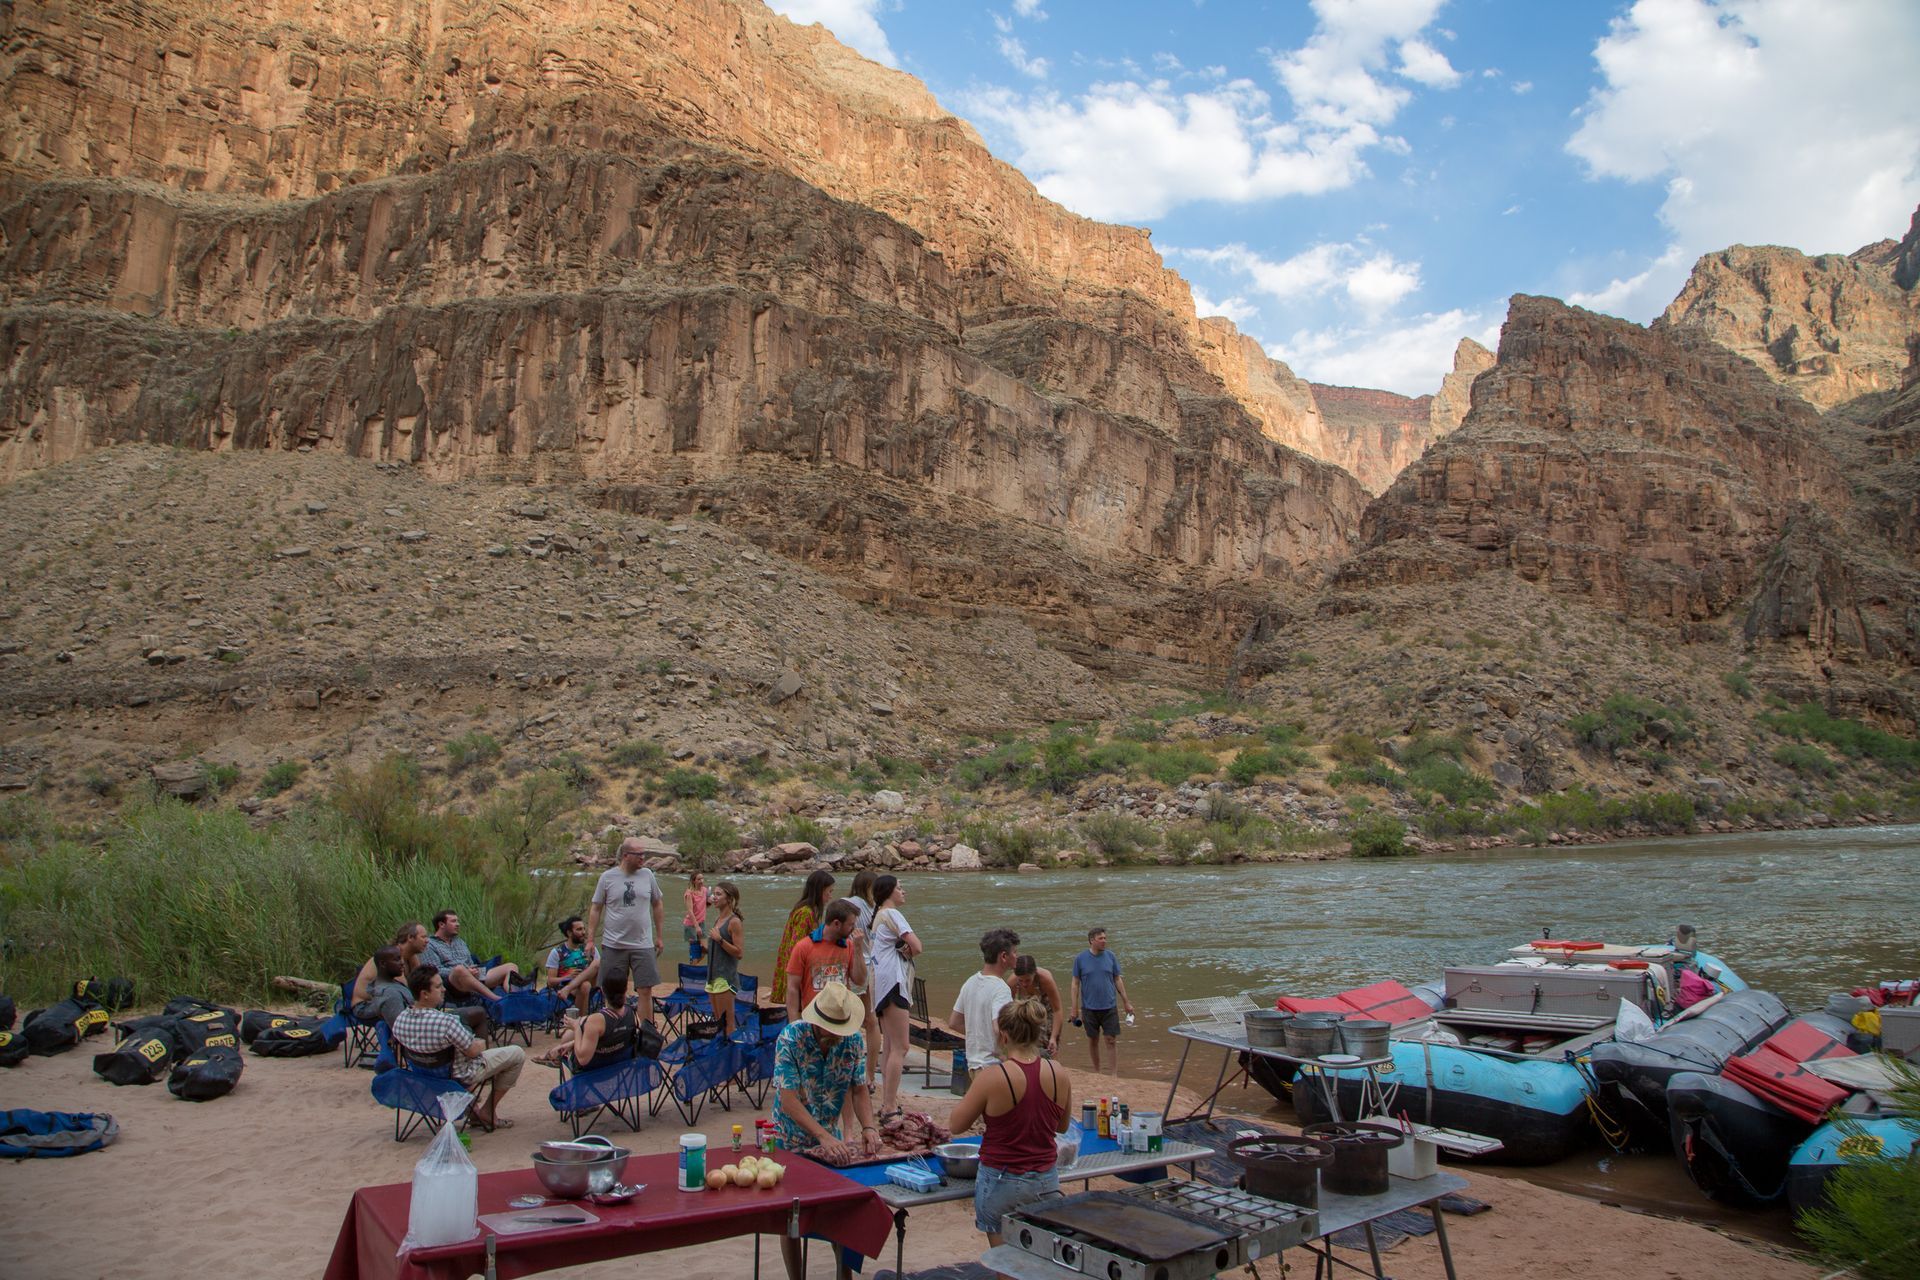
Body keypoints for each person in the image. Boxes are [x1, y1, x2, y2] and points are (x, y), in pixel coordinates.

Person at [947, 998, 1072, 1260]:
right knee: (1041, 1263)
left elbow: (956, 1124)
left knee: (1008, 1265)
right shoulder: (1058, 1072)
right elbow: (1062, 1125)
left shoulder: (992, 1077)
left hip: (1001, 1181)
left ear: (1003, 1036)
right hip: (1045, 1179)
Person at [773, 982, 881, 1280]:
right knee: (791, 1217)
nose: (835, 1037)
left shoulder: (853, 1043)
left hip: (830, 1136)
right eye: (830, 1030)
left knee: (839, 1213)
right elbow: (789, 1099)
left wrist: (868, 1127)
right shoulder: (791, 1038)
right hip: (791, 1137)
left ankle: (843, 1274)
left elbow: (859, 1090)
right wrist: (823, 1136)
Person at [391, 967, 526, 1131]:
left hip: (424, 1079)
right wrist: (481, 1042)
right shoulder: (447, 1022)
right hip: (458, 1079)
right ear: (424, 993)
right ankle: (487, 1112)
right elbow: (473, 1051)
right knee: (517, 1054)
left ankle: (473, 1108)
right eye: (438, 986)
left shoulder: (400, 1020)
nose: (444, 989)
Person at [588, 837, 666, 1026]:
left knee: (645, 989)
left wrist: (659, 936)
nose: (643, 858)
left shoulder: (647, 875)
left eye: (643, 854)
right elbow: (596, 908)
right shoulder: (607, 877)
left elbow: (657, 904)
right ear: (626, 855)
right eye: (639, 854)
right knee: (612, 991)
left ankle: (646, 1033)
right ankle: (613, 1031)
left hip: (643, 944)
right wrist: (590, 939)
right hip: (614, 944)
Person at [868, 874, 921, 1118]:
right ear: (889, 891)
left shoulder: (877, 916)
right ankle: (889, 1105)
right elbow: (917, 946)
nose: (904, 892)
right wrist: (909, 951)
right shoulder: (893, 914)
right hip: (893, 983)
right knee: (901, 1046)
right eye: (900, 888)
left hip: (879, 984)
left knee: (889, 1046)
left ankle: (886, 1102)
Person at [950, 929, 1017, 1077]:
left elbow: (954, 1022)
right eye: (1014, 952)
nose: (1016, 956)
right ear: (1004, 956)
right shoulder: (1001, 989)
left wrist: (979, 1036)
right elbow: (999, 1027)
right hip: (993, 1066)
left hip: (973, 1064)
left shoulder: (970, 982)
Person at [785, 899, 866, 1021]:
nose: (854, 928)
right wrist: (794, 1021)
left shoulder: (849, 945)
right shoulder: (803, 947)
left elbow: (860, 980)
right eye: (851, 924)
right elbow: (792, 987)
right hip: (814, 1016)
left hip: (841, 1015)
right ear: (836, 924)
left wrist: (859, 948)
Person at [837, 870, 882, 1087]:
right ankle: (870, 1075)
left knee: (849, 1020)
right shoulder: (877, 909)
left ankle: (849, 1071)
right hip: (870, 967)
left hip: (851, 964)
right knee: (871, 1022)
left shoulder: (847, 903)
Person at [542, 973, 640, 1071]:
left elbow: (582, 1059)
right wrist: (572, 1043)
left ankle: (550, 1055)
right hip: (619, 1069)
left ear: (602, 990)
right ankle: (551, 1053)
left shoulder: (596, 1021)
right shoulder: (631, 1012)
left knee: (569, 1035)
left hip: (593, 1074)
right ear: (625, 990)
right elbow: (608, 1041)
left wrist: (576, 1027)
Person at [421, 910, 521, 1004]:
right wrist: (464, 971)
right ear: (441, 924)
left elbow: (470, 962)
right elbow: (434, 971)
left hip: (473, 978)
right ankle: (495, 999)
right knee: (459, 969)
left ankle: (513, 997)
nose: (458, 924)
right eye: (453, 921)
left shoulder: (459, 942)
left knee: (511, 966)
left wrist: (475, 971)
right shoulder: (430, 944)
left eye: (457, 921)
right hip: (453, 983)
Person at [1070, 927, 1134, 1073]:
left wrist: (1126, 1001)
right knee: (1093, 1040)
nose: (1104, 941)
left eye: (1105, 938)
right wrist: (1074, 1007)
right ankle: (1097, 1072)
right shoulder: (1080, 959)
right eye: (1101, 939)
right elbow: (1075, 983)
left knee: (1111, 1040)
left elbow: (1117, 979)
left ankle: (1113, 1074)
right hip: (1089, 1008)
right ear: (1092, 940)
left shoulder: (1111, 957)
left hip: (1109, 1006)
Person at [772, 869, 836, 1006]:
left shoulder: (806, 909)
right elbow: (797, 946)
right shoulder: (806, 913)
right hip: (798, 969)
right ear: (820, 891)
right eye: (829, 891)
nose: (830, 896)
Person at [704, 881, 745, 1037]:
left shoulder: (734, 922)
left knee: (727, 1023)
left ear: (729, 898)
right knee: (717, 1022)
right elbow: (718, 949)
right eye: (714, 894)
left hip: (725, 978)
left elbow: (739, 952)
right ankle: (721, 1052)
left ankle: (730, 1056)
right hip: (713, 976)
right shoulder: (718, 919)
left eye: (718, 894)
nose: (714, 897)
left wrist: (720, 939)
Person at [1010, 955, 1065, 1058]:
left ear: (1034, 973)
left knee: (1049, 1047)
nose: (1024, 984)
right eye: (1021, 981)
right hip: (1025, 1011)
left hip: (1046, 1012)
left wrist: (1053, 1037)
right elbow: (1008, 1010)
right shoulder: (1012, 982)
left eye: (1027, 980)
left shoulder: (1045, 979)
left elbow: (1057, 1010)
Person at [545, 915, 599, 1016]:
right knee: (585, 985)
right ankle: (581, 1022)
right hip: (568, 987)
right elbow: (550, 981)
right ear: (569, 933)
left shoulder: (590, 949)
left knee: (597, 964)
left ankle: (578, 1022)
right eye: (579, 929)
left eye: (584, 929)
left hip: (593, 984)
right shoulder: (557, 952)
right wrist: (568, 977)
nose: (583, 932)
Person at [350, 945, 410, 1027]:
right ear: (383, 964)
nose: (402, 963)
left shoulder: (392, 982)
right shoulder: (389, 994)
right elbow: (400, 1027)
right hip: (363, 1007)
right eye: (397, 959)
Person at [683, 871, 709, 961]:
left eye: (702, 878)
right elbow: (690, 911)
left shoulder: (705, 890)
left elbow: (705, 905)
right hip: (691, 925)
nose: (701, 881)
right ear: (694, 881)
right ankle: (692, 967)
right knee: (694, 953)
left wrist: (711, 902)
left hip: (701, 923)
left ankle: (693, 966)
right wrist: (696, 927)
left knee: (706, 949)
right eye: (699, 879)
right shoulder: (689, 893)